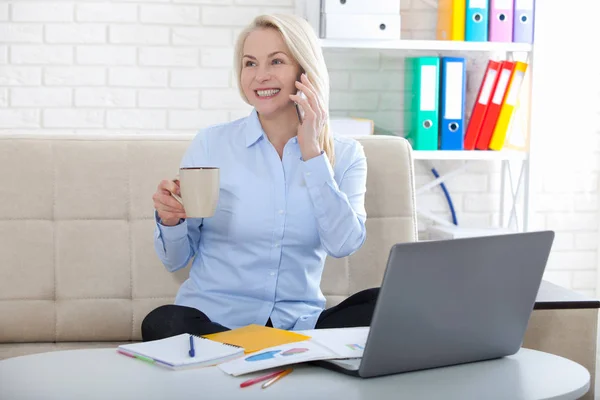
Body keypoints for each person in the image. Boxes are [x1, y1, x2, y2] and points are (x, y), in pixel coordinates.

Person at [141, 13, 379, 342]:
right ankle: (278, 353)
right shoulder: (212, 143)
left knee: (382, 304)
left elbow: (343, 245)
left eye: (276, 61)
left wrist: (312, 154)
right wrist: (171, 222)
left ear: (304, 70)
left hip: (298, 321)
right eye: (250, 63)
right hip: (214, 318)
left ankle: (253, 352)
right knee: (163, 322)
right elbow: (176, 260)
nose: (260, 76)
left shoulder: (346, 154)